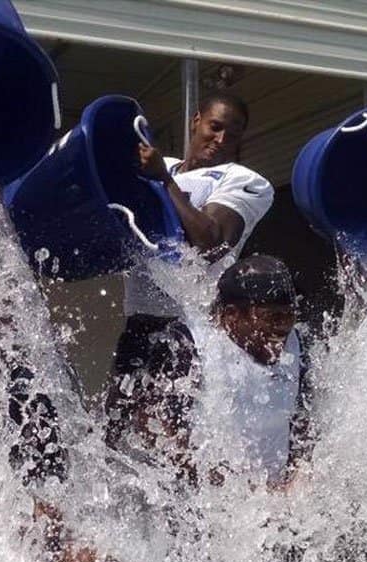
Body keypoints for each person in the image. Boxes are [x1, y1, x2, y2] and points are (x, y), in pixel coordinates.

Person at [106, 91, 276, 445]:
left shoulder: (244, 180)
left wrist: (164, 183)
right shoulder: (156, 163)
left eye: (233, 133)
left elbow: (212, 243)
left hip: (188, 331)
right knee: (115, 436)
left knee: (172, 442)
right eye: (215, 127)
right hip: (138, 325)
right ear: (196, 121)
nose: (221, 139)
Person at [119, 254, 308, 489]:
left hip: (271, 504)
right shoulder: (189, 344)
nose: (281, 328)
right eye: (271, 317)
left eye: (289, 315)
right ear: (231, 316)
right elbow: (151, 426)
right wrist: (227, 483)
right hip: (202, 502)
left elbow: (303, 422)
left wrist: (297, 476)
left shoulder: (296, 345)